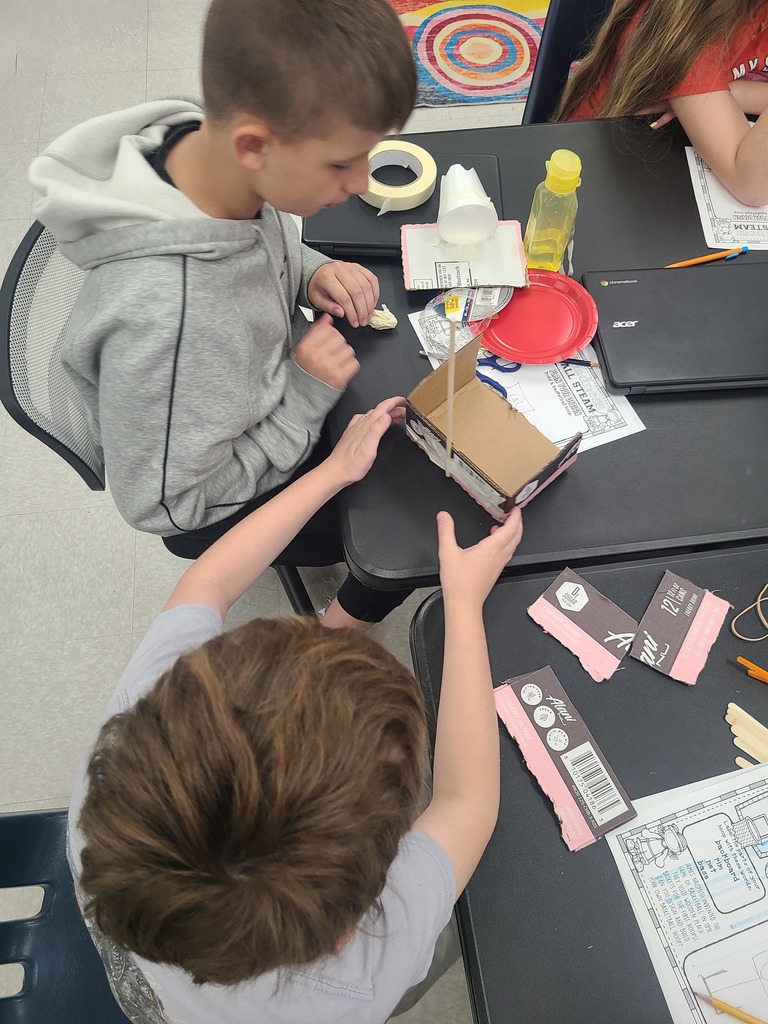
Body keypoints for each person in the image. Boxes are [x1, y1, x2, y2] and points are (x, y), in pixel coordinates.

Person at [68, 395, 525, 1024]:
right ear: (352, 925)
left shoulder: (119, 778)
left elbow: (207, 582)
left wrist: (333, 471)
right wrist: (464, 605)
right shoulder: (357, 978)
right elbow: (467, 801)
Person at [28, 0, 417, 629]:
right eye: (341, 163)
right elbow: (171, 508)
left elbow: (257, 238)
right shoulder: (169, 319)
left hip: (258, 384)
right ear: (254, 146)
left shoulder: (201, 148)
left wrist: (309, 267)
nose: (362, 181)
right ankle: (332, 632)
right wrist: (303, 393)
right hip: (222, 486)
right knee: (408, 510)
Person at [555, 0, 768, 206]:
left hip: (667, 156)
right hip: (594, 169)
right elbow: (752, 187)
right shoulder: (690, 27)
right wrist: (712, 94)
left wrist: (729, 93)